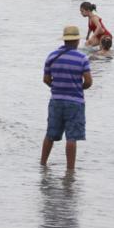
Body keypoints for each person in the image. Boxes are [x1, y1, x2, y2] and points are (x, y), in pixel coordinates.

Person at [40, 25, 92, 171]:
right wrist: (77, 88)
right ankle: (70, 170)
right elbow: (88, 81)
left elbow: (46, 79)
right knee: (71, 137)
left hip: (56, 100)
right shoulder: (82, 58)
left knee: (50, 134)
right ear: (76, 41)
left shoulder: (52, 56)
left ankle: (43, 163)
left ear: (64, 40)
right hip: (75, 102)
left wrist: (56, 87)